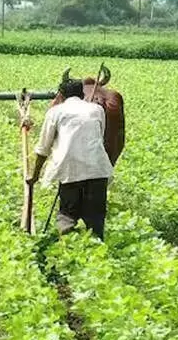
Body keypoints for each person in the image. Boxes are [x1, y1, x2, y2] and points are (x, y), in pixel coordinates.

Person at [28, 77, 115, 239]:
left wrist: (35, 176)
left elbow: (43, 149)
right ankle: (95, 249)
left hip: (70, 171)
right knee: (95, 219)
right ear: (82, 94)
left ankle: (68, 242)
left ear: (60, 95)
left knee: (67, 214)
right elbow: (100, 136)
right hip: (98, 170)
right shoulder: (97, 110)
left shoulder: (55, 112)